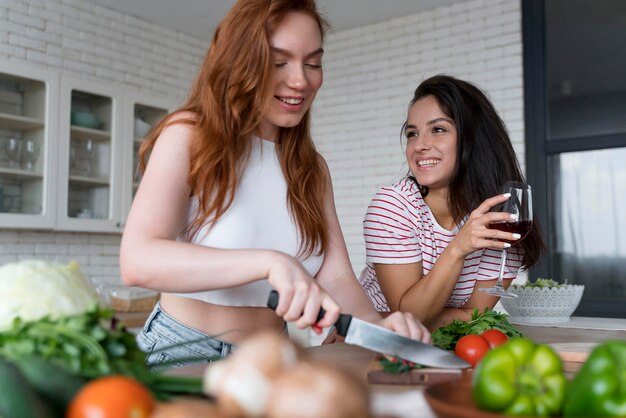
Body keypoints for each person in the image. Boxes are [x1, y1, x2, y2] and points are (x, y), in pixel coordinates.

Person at [120, 0, 429, 366]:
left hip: (276, 357)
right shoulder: (189, 135)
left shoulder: (312, 168)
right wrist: (269, 263)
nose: (300, 80)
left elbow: (336, 277)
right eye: (278, 62)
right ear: (240, 61)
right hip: (183, 350)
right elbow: (138, 260)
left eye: (313, 63)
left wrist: (380, 326)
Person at [358, 75, 546, 331]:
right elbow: (411, 317)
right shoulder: (394, 207)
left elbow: (475, 316)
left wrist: (387, 318)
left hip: (441, 352)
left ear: (473, 139)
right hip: (372, 349)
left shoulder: (500, 219)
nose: (419, 146)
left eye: (438, 129)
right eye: (412, 133)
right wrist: (459, 248)